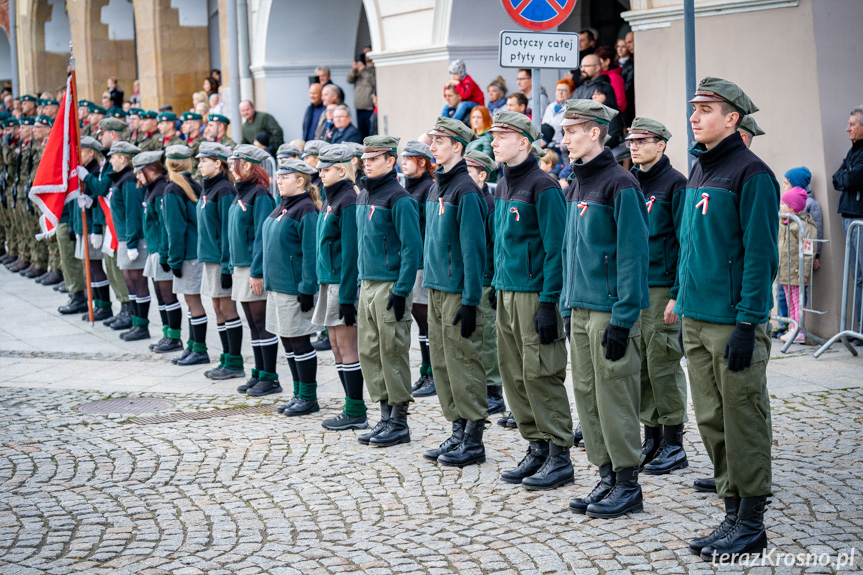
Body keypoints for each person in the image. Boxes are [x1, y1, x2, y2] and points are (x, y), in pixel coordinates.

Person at [680, 77, 777, 560]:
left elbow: (761, 256)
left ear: (732, 119)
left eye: (705, 109)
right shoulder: (699, 171)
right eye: (694, 109)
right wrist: (680, 300)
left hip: (732, 322)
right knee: (712, 418)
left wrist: (747, 322)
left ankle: (752, 522)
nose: (695, 117)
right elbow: (691, 246)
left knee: (743, 418)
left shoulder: (752, 174)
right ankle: (731, 510)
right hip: (696, 317)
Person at [558, 100, 649, 518]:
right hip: (580, 307)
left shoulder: (620, 184)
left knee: (615, 396)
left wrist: (624, 316)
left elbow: (632, 255)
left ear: (595, 132)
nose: (564, 140)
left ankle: (628, 483)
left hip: (609, 311)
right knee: (589, 396)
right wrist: (564, 303)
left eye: (571, 132)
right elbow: (569, 251)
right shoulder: (577, 183)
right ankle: (606, 475)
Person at [488, 111, 572, 490]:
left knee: (540, 373)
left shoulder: (544, 187)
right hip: (506, 292)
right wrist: (495, 285)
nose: (493, 142)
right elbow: (501, 243)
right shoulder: (503, 185)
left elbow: (557, 250)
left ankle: (559, 455)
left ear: (524, 142)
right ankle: (536, 447)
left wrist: (548, 301)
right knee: (513, 374)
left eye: (501, 136)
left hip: (535, 294)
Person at [421, 117, 489, 467]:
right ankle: (457, 428)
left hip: (458, 291)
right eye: (432, 140)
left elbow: (474, 249)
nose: (432, 145)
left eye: (439, 141)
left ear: (457, 147)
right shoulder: (437, 186)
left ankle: (474, 437)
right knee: (443, 364)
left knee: (463, 362)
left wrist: (470, 299)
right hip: (436, 287)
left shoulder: (465, 190)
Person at [624, 118, 689, 476]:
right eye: (632, 141)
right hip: (635, 286)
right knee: (642, 366)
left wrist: (677, 294)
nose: (634, 146)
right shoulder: (631, 181)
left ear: (661, 144)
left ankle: (674, 442)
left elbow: (684, 242)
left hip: (662, 285)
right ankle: (651, 436)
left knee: (663, 363)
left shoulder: (675, 183)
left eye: (643, 141)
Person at [354, 135, 422, 448]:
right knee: (369, 351)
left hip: (390, 284)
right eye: (365, 159)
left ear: (390, 161)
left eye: (373, 159)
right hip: (368, 283)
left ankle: (399, 421)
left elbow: (412, 248)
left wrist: (402, 289)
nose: (366, 164)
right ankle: (384, 415)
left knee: (391, 351)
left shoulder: (400, 199)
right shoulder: (363, 196)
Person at [314, 144, 367, 430]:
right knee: (335, 345)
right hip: (329, 281)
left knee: (347, 347)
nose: (321, 174)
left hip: (341, 283)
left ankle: (356, 409)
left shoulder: (348, 199)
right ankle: (351, 406)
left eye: (326, 169)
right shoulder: (331, 198)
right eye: (321, 169)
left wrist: (347, 295)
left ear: (342, 170)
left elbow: (350, 253)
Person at [263, 158, 321, 415]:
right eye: (279, 176)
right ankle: (298, 393)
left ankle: (308, 397)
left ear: (300, 181)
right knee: (287, 341)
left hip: (294, 288)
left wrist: (307, 286)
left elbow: (311, 252)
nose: (279, 180)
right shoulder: (283, 206)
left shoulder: (306, 209)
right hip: (277, 285)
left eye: (285, 177)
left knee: (299, 342)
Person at [228, 145, 279, 396]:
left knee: (261, 322)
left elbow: (262, 236)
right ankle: (258, 372)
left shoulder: (259, 195)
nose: (230, 168)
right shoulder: (242, 193)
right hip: (241, 266)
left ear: (248, 165)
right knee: (252, 323)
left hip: (253, 266)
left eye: (234, 162)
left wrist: (257, 271)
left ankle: (270, 376)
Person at [195, 142, 246, 380]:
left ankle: (234, 362)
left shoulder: (224, 190)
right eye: (199, 160)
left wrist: (227, 265)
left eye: (204, 160)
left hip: (220, 258)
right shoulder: (209, 187)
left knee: (226, 308)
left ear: (218, 163)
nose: (200, 164)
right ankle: (226, 358)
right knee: (217, 307)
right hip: (209, 257)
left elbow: (228, 230)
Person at [464, 149, 505, 416]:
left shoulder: (489, 204)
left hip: (488, 279)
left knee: (489, 338)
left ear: (482, 174)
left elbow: (496, 245)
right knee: (474, 337)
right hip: (472, 280)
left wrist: (494, 280)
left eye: (469, 171)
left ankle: (493, 391)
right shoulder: (469, 200)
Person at [160, 145, 209, 365]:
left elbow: (175, 229)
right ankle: (192, 346)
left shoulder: (173, 189)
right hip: (195, 251)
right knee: (192, 302)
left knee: (193, 302)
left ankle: (199, 349)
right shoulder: (194, 185)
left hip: (187, 253)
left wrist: (174, 259)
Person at [401, 140, 436, 397]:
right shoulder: (407, 187)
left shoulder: (428, 188)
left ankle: (432, 373)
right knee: (420, 323)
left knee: (427, 323)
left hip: (423, 262)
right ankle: (426, 371)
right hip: (411, 263)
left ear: (422, 162)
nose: (403, 163)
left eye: (408, 159)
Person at [138, 150, 179, 353]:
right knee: (160, 295)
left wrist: (164, 254)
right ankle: (166, 333)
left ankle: (174, 336)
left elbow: (165, 226)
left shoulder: (161, 189)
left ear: (150, 169)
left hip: (161, 250)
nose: (137, 176)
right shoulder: (151, 188)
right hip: (153, 249)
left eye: (140, 171)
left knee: (167, 296)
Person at [119, 148, 158, 341]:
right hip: (127, 237)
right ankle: (136, 323)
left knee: (137, 282)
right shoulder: (127, 181)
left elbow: (133, 214)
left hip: (134, 238)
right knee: (129, 281)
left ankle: (142, 325)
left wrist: (132, 242)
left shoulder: (131, 184)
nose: (136, 174)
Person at [833, 105, 863, 337]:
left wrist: (847, 175)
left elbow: (852, 177)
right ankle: (860, 329)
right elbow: (838, 178)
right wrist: (847, 175)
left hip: (859, 219)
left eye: (852, 124)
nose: (847, 128)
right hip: (849, 218)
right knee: (858, 276)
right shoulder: (853, 151)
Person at [777, 186, 817, 344]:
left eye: (783, 204)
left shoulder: (803, 226)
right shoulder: (784, 222)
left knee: (797, 300)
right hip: (785, 271)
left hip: (796, 271)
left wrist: (804, 273)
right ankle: (793, 327)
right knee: (789, 300)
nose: (780, 206)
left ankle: (799, 329)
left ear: (792, 207)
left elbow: (808, 252)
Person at [442, 60, 484, 124]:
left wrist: (458, 84)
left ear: (462, 73)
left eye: (455, 74)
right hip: (466, 102)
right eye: (451, 73)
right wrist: (446, 86)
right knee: (446, 107)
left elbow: (464, 96)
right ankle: (443, 123)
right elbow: (446, 95)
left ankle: (452, 123)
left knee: (462, 105)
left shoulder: (468, 81)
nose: (453, 76)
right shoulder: (457, 80)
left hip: (477, 103)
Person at [347, 53, 376, 139]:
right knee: (362, 132)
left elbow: (375, 81)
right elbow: (349, 80)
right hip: (359, 107)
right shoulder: (357, 71)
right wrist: (354, 70)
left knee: (371, 131)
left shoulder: (373, 69)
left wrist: (365, 70)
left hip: (369, 107)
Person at [542, 80, 574, 154]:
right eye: (558, 90)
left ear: (571, 93)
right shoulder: (550, 107)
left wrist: (562, 146)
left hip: (561, 149)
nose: (560, 93)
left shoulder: (572, 108)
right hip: (546, 146)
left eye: (564, 90)